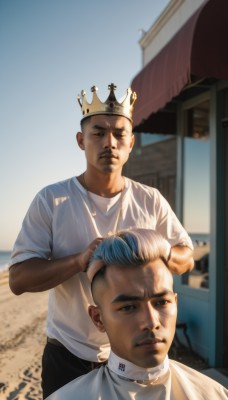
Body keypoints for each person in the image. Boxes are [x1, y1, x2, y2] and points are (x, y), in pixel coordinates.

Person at [8, 83, 194, 398]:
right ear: (81, 140)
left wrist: (163, 249)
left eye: (120, 133)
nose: (110, 142)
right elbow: (18, 278)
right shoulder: (52, 200)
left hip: (133, 356)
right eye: (98, 133)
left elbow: (186, 256)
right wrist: (79, 261)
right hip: (67, 355)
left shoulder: (150, 200)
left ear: (131, 142)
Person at [46, 228, 227, 400]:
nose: (150, 322)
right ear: (98, 318)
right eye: (128, 307)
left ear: (176, 304)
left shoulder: (213, 394)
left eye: (162, 302)